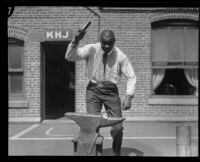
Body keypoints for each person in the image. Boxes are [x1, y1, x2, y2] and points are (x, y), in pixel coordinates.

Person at [65, 28, 136, 156]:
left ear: (114, 42)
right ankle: (94, 152)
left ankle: (116, 151)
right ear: (100, 41)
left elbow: (131, 76)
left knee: (118, 128)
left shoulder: (121, 56)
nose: (107, 46)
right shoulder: (91, 48)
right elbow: (70, 57)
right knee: (93, 125)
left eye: (110, 43)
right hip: (93, 90)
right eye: (104, 42)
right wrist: (75, 41)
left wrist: (129, 96)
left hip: (111, 92)